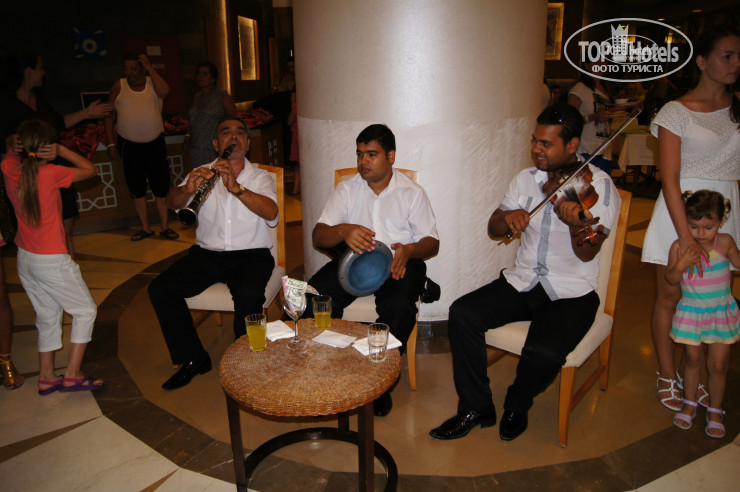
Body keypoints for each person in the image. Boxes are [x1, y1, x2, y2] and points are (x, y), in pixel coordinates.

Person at [429, 103, 620, 442]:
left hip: (572, 291)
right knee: (462, 314)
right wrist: (507, 218)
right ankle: (475, 407)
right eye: (535, 140)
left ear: (572, 145)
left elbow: (588, 253)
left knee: (543, 352)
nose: (536, 149)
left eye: (546, 143)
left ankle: (517, 403)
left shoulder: (599, 188)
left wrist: (574, 223)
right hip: (523, 280)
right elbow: (494, 228)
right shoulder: (525, 179)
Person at [303, 123, 439, 416]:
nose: (363, 161)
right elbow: (319, 236)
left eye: (371, 154)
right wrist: (343, 230)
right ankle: (321, 362)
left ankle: (379, 381)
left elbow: (432, 242)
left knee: (399, 308)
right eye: (359, 154)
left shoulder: (411, 192)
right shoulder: (347, 189)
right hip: (355, 263)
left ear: (391, 156)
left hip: (398, 263)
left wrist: (409, 250)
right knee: (313, 297)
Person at [641, 26, 740, 413]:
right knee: (671, 297)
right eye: (727, 56)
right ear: (702, 61)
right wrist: (686, 237)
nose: (736, 63)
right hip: (678, 210)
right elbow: (669, 178)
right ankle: (668, 374)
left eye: (739, 56)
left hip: (725, 211)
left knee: (713, 297)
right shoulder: (676, 111)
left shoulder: (737, 108)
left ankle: (692, 371)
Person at [148, 116, 278, 391]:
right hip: (207, 255)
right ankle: (193, 358)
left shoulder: (260, 177)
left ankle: (246, 361)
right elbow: (172, 202)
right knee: (161, 289)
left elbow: (271, 212)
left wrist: (236, 188)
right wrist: (187, 189)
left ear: (248, 143)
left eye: (240, 132)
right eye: (226, 133)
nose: (233, 137)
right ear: (216, 143)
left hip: (251, 255)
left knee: (248, 295)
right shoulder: (201, 172)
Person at [1, 119, 103, 394]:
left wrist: (12, 144)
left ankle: (46, 376)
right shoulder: (51, 173)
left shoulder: (9, 169)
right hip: (51, 260)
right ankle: (72, 374)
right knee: (85, 311)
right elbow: (91, 170)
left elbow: (9, 150)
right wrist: (62, 150)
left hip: (26, 258)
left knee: (47, 314)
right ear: (47, 146)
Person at [0, 48, 112, 258]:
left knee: (64, 231)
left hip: (53, 168)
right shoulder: (6, 103)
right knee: (36, 231)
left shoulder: (39, 99)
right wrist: (10, 142)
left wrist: (88, 112)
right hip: (29, 177)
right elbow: (6, 141)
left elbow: (59, 123)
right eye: (40, 67)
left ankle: (66, 266)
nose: (43, 72)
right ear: (28, 71)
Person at [665, 190, 739, 438]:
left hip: (720, 313)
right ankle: (689, 402)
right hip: (692, 313)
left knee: (718, 365)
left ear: (721, 221)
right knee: (693, 359)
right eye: (693, 226)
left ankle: (716, 410)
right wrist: (681, 263)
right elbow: (671, 278)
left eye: (709, 227)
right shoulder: (680, 247)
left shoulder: (725, 243)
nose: (700, 233)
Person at [104, 54, 178, 241]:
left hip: (155, 143)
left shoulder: (153, 83)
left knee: (161, 186)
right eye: (127, 69)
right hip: (129, 145)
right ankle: (145, 228)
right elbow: (108, 115)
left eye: (134, 68)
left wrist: (149, 68)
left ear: (142, 69)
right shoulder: (119, 86)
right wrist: (111, 143)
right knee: (136, 187)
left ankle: (165, 226)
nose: (130, 73)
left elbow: (165, 92)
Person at [187, 61, 237, 167]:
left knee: (216, 173)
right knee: (200, 174)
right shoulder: (196, 97)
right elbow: (194, 120)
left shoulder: (222, 96)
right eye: (198, 73)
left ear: (213, 79)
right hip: (196, 147)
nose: (200, 76)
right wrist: (188, 135)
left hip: (214, 148)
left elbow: (234, 121)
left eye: (205, 74)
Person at [567, 66, 614, 175]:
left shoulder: (605, 89)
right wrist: (594, 117)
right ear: (587, 65)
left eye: (604, 61)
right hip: (586, 148)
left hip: (604, 148)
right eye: (597, 61)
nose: (601, 64)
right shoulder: (580, 88)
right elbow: (569, 120)